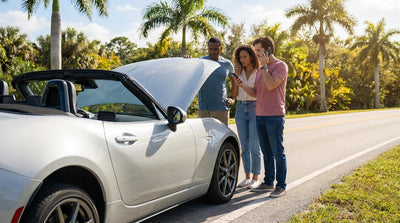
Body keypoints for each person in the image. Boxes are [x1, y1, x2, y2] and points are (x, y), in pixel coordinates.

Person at [236, 36, 288, 197]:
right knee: (266, 151)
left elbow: (272, 84)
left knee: (277, 152)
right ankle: (268, 182)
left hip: (274, 115)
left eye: (258, 51)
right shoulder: (260, 70)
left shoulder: (280, 66)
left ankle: (281, 186)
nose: (256, 54)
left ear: (268, 50)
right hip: (260, 115)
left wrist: (265, 68)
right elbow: (256, 93)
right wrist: (243, 85)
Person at [231, 44, 261, 189]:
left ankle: (256, 177)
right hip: (240, 108)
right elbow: (234, 95)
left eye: (245, 57)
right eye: (240, 57)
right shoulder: (238, 73)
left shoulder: (258, 72)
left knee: (255, 145)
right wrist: (235, 79)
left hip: (255, 108)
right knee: (244, 146)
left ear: (251, 56)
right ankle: (247, 177)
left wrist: (242, 85)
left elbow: (256, 94)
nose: (242, 60)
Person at [191, 37, 235, 125]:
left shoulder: (227, 64)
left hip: (222, 109)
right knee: (204, 138)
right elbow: (189, 67)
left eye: (216, 49)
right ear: (208, 48)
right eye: (211, 49)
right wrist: (187, 59)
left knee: (223, 137)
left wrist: (232, 98)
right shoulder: (201, 61)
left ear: (221, 49)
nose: (213, 52)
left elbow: (234, 81)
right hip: (204, 109)